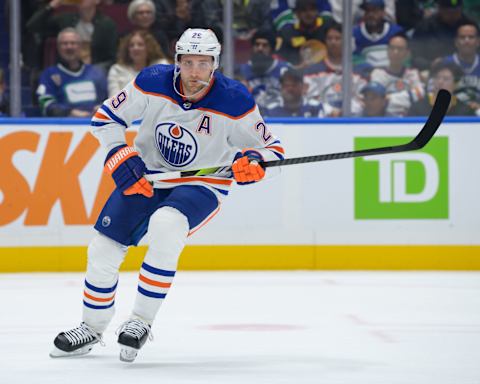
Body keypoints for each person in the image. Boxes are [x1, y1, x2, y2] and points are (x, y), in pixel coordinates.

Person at [49, 28, 285, 363]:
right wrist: (119, 153)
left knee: (166, 223)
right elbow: (105, 119)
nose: (194, 73)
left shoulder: (235, 100)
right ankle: (91, 327)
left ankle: (140, 321)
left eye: (203, 64)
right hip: (148, 177)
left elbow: (273, 150)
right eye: (188, 62)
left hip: (202, 185)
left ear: (215, 64)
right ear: (176, 61)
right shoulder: (152, 81)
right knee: (103, 248)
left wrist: (256, 162)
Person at [26, 0, 118, 72]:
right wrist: (51, 6)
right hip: (67, 70)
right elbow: (32, 26)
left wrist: (97, 69)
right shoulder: (66, 19)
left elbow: (112, 58)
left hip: (96, 71)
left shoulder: (107, 25)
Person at [36, 28, 107, 117]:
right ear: (58, 48)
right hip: (64, 127)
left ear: (80, 46)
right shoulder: (49, 75)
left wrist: (103, 107)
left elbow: (109, 99)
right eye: (64, 44)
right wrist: (69, 112)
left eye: (73, 43)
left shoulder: (96, 72)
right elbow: (45, 104)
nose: (69, 47)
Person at [303, 22, 366, 117]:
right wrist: (330, 111)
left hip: (352, 121)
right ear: (325, 41)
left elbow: (362, 100)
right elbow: (309, 99)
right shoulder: (312, 71)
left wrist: (344, 111)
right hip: (321, 122)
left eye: (337, 38)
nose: (333, 42)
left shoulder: (358, 71)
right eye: (329, 38)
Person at [370, 34, 425, 116]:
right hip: (384, 120)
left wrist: (389, 98)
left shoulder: (413, 74)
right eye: (392, 48)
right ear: (387, 51)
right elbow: (377, 103)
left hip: (410, 120)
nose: (395, 52)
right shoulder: (378, 74)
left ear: (407, 53)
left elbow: (420, 95)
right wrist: (409, 97)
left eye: (400, 49)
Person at [411, 0, 475, 71]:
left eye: (456, 12)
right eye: (449, 13)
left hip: (468, 69)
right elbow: (415, 57)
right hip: (433, 71)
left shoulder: (469, 25)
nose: (453, 16)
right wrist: (430, 64)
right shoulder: (425, 27)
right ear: (440, 10)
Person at [237, 29, 291, 110]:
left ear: (272, 48)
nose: (260, 48)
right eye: (257, 44)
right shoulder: (240, 70)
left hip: (279, 116)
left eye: (265, 45)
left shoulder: (284, 69)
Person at [108, 30, 169, 97]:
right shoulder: (117, 70)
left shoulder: (161, 66)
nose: (135, 48)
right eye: (131, 45)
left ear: (149, 48)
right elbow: (113, 99)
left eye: (140, 45)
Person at [408, 61, 476, 116]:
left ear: (455, 84)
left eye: (446, 79)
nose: (440, 82)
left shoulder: (465, 111)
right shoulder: (418, 108)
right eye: (437, 78)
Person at [441, 22, 480, 113]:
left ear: (478, 41)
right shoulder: (443, 64)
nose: (467, 40)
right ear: (456, 42)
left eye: (471, 37)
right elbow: (434, 94)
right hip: (452, 113)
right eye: (462, 37)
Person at [353, 0, 404, 69]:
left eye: (375, 10)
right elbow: (354, 60)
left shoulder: (396, 32)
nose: (370, 14)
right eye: (367, 11)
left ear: (383, 12)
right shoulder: (355, 33)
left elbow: (404, 60)